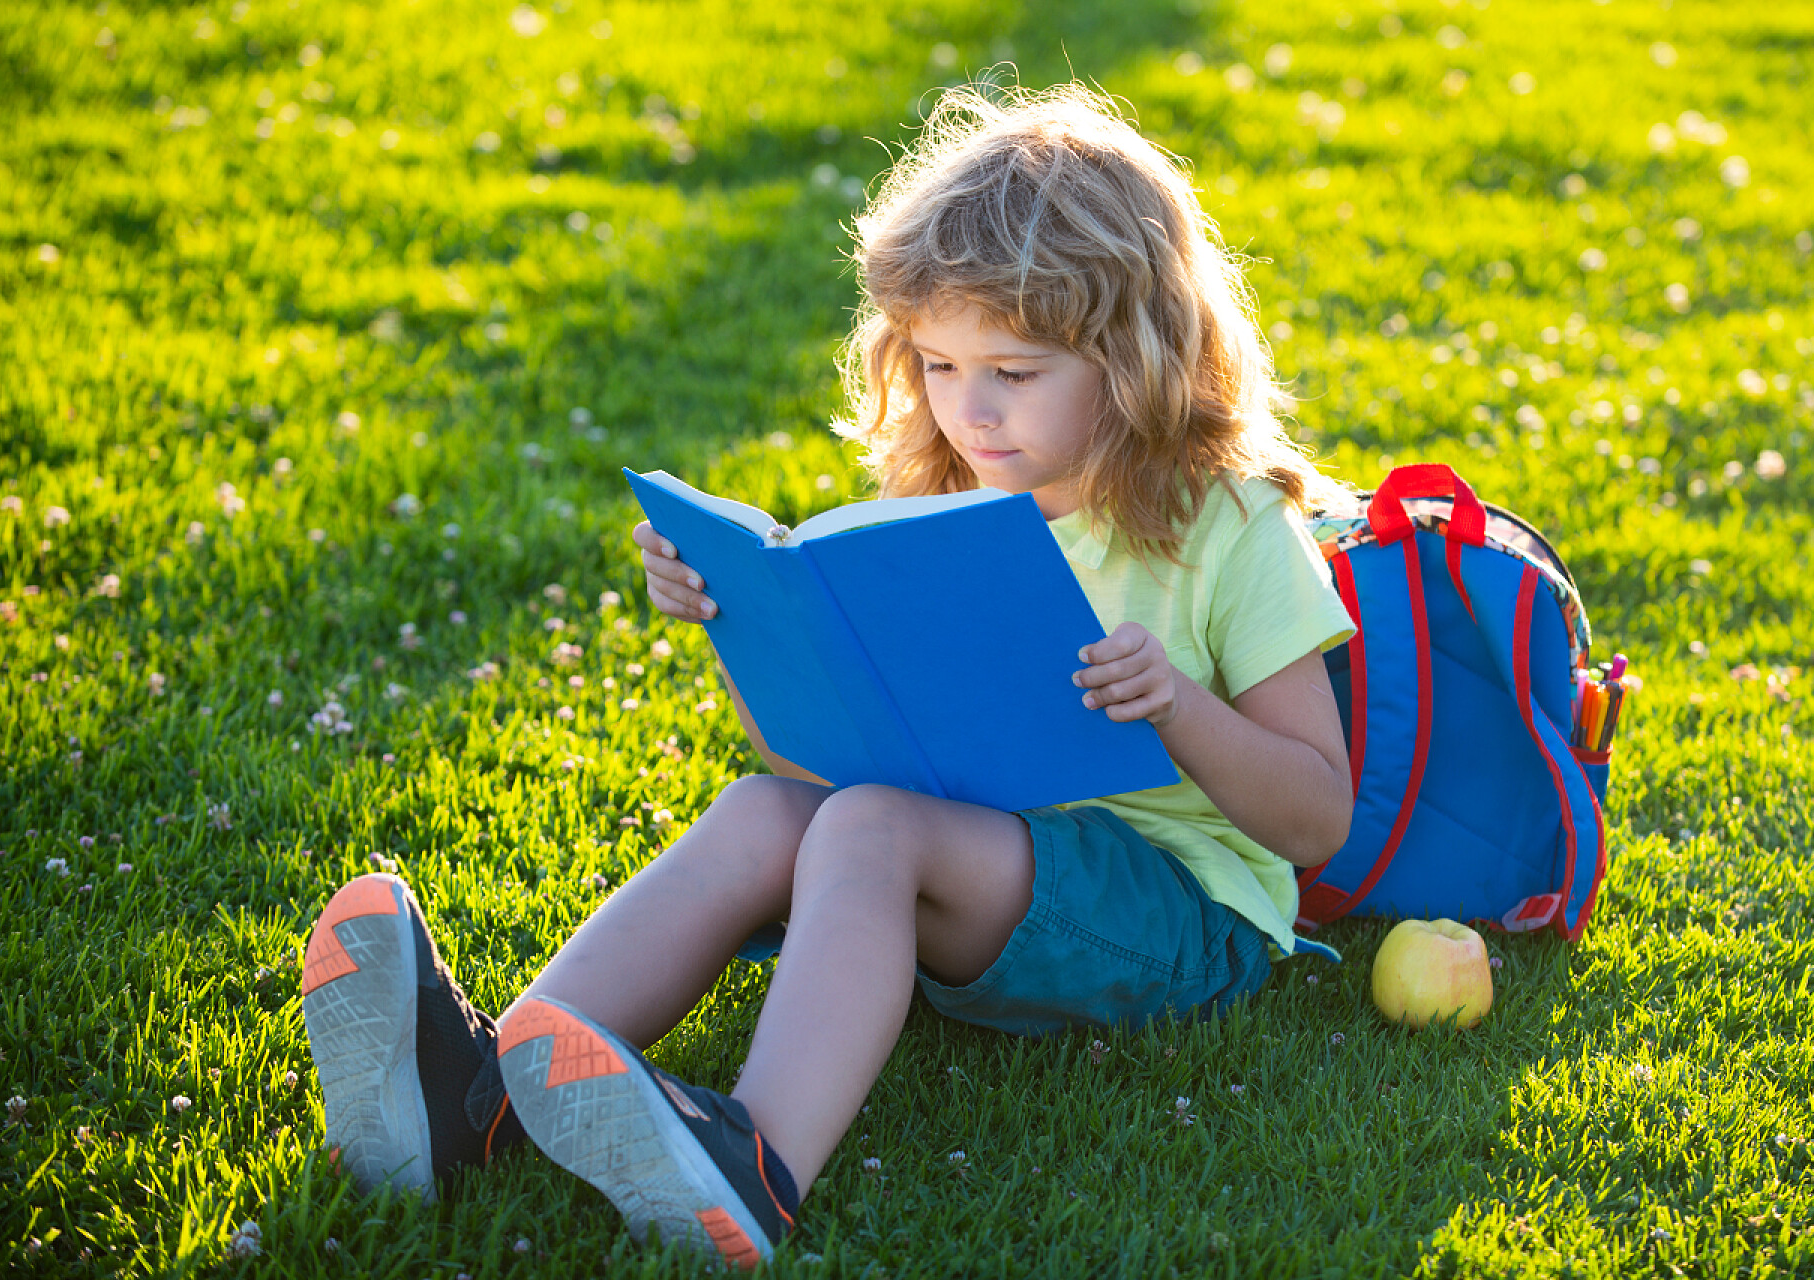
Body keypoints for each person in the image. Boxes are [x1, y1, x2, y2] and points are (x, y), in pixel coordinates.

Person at [299, 82, 1356, 1270]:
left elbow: (1317, 814)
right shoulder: (953, 515)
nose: (971, 409)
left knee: (869, 832)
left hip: (1182, 914)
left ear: (1134, 353)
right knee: (771, 811)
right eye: (942, 364)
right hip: (988, 866)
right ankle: (475, 1094)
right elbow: (815, 768)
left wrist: (1180, 705)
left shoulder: (1228, 525)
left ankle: (757, 1162)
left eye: (1015, 371)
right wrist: (744, 627)